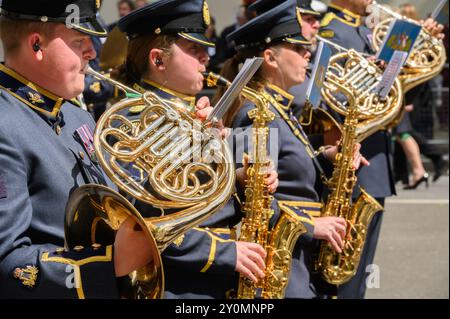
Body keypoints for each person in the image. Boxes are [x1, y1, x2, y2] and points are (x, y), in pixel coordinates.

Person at [114, 0, 279, 299]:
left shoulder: (195, 115)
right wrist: (223, 253)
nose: (206, 57)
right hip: (180, 287)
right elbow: (143, 222)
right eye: (193, 49)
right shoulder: (132, 123)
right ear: (158, 60)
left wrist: (243, 180)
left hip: (219, 277)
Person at [0, 0, 155, 298]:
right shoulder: (5, 123)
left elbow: (115, 203)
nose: (92, 53)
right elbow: (8, 261)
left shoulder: (74, 114)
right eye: (79, 41)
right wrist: (107, 265)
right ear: (37, 45)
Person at [221, 0, 368, 298]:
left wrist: (326, 157)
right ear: (270, 58)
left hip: (296, 260)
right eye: (299, 50)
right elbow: (246, 199)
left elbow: (287, 163)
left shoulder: (278, 108)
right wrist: (311, 225)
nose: (308, 55)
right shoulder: (256, 113)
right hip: (280, 267)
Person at [318, 0, 445, 298]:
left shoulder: (362, 31)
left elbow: (396, 94)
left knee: (360, 273)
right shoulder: (334, 33)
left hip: (375, 161)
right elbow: (335, 103)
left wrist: (417, 46)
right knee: (341, 273)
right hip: (354, 163)